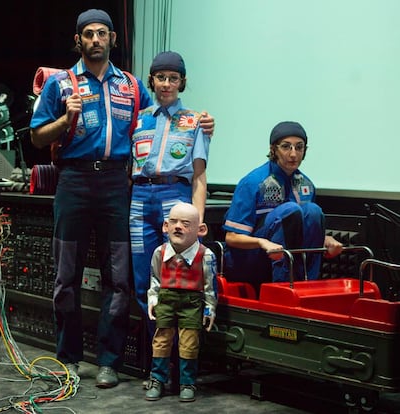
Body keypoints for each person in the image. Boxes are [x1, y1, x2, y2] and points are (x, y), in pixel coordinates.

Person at [29, 9, 215, 389]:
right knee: (66, 276)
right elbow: (36, 138)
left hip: (117, 184)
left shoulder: (131, 85)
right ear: (78, 40)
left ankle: (110, 362)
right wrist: (66, 120)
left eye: (102, 34)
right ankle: (68, 358)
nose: (95, 40)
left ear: (113, 39)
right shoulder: (60, 84)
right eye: (88, 34)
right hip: (74, 180)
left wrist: (205, 122)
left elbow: (161, 114)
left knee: (118, 279)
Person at [130, 51, 210, 321]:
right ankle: (157, 357)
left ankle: (177, 359)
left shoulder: (196, 121)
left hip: (174, 198)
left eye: (173, 78)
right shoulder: (138, 119)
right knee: (143, 279)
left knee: (176, 279)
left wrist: (197, 222)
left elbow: (199, 176)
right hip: (139, 200)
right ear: (151, 80)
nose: (166, 83)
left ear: (182, 82)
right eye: (160, 77)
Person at [223, 121, 343, 291]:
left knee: (313, 211)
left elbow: (295, 232)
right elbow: (232, 238)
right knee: (290, 210)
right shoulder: (253, 182)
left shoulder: (306, 184)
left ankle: (308, 284)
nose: (293, 154)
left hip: (291, 260)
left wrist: (326, 240)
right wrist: (262, 242)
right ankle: (281, 286)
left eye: (299, 147)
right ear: (273, 149)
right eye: (286, 147)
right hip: (251, 260)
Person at [145, 202, 217, 402]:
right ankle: (157, 379)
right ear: (165, 226)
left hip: (191, 303)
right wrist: (153, 298)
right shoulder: (160, 253)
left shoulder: (206, 256)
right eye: (174, 222)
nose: (178, 227)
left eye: (186, 223)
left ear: (200, 230)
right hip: (166, 300)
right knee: (161, 340)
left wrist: (210, 308)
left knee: (189, 343)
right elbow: (155, 279)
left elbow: (210, 285)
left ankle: (187, 382)